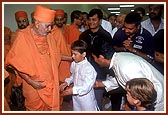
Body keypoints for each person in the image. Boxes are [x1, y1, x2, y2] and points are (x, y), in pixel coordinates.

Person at [5, 5, 70, 111]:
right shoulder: (23, 37)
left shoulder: (49, 36)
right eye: (47, 26)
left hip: (50, 84)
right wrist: (30, 81)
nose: (50, 30)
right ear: (37, 23)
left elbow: (56, 56)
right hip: (33, 86)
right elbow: (16, 63)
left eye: (51, 26)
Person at [93, 52, 164, 111]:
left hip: (157, 100)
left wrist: (130, 107)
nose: (94, 60)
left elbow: (141, 91)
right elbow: (122, 78)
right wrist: (101, 84)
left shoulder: (127, 69)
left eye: (94, 58)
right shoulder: (119, 58)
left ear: (101, 57)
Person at [79, 8, 114, 110]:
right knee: (84, 100)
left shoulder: (105, 36)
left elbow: (109, 56)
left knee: (97, 100)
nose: (91, 22)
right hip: (84, 72)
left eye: (94, 19)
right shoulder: (83, 35)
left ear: (100, 20)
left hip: (99, 72)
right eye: (89, 19)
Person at [60, 40, 99, 111]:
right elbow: (73, 76)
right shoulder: (74, 63)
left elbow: (86, 87)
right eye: (72, 54)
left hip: (87, 100)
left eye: (75, 54)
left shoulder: (89, 69)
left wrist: (72, 90)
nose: (72, 56)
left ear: (84, 54)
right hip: (76, 98)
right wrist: (67, 82)